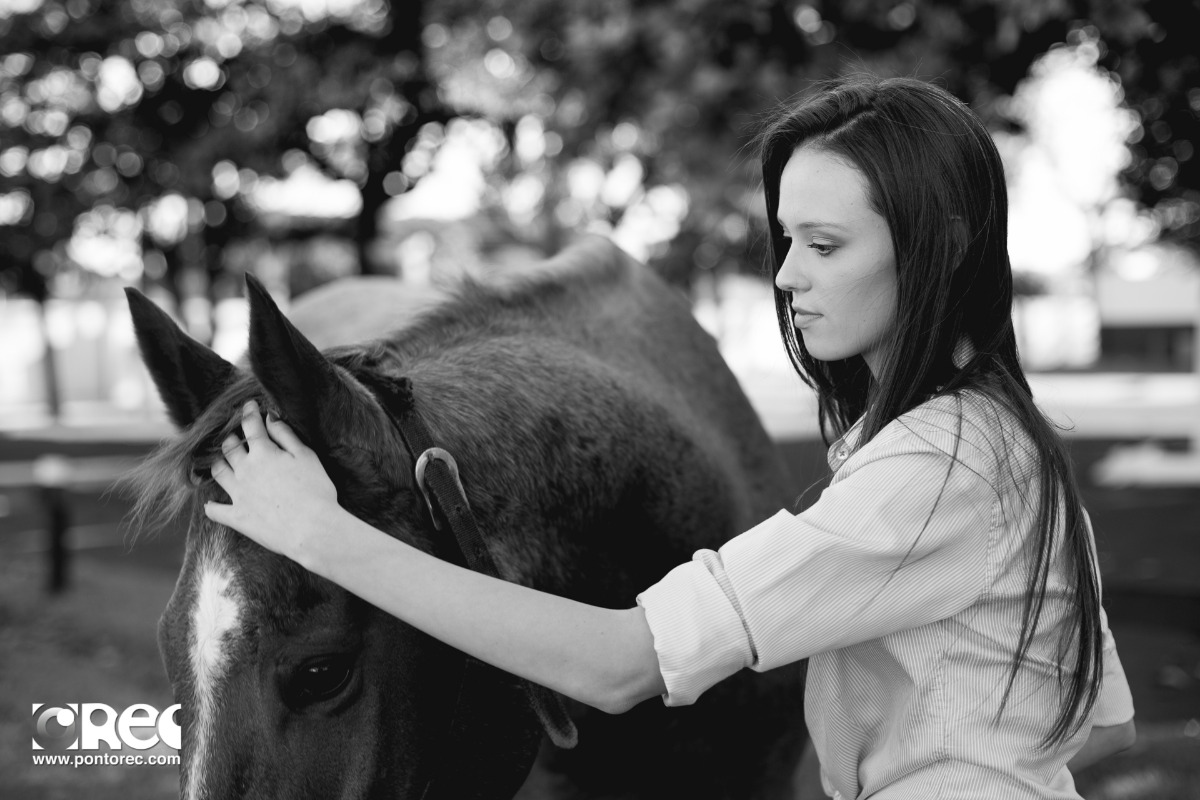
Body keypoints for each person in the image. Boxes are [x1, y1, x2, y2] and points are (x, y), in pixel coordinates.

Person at [205, 76, 1136, 799]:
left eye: (824, 246)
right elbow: (1103, 725)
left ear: (945, 241)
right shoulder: (1005, 442)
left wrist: (319, 535)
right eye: (784, 242)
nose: (785, 278)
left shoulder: (932, 469)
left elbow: (617, 666)